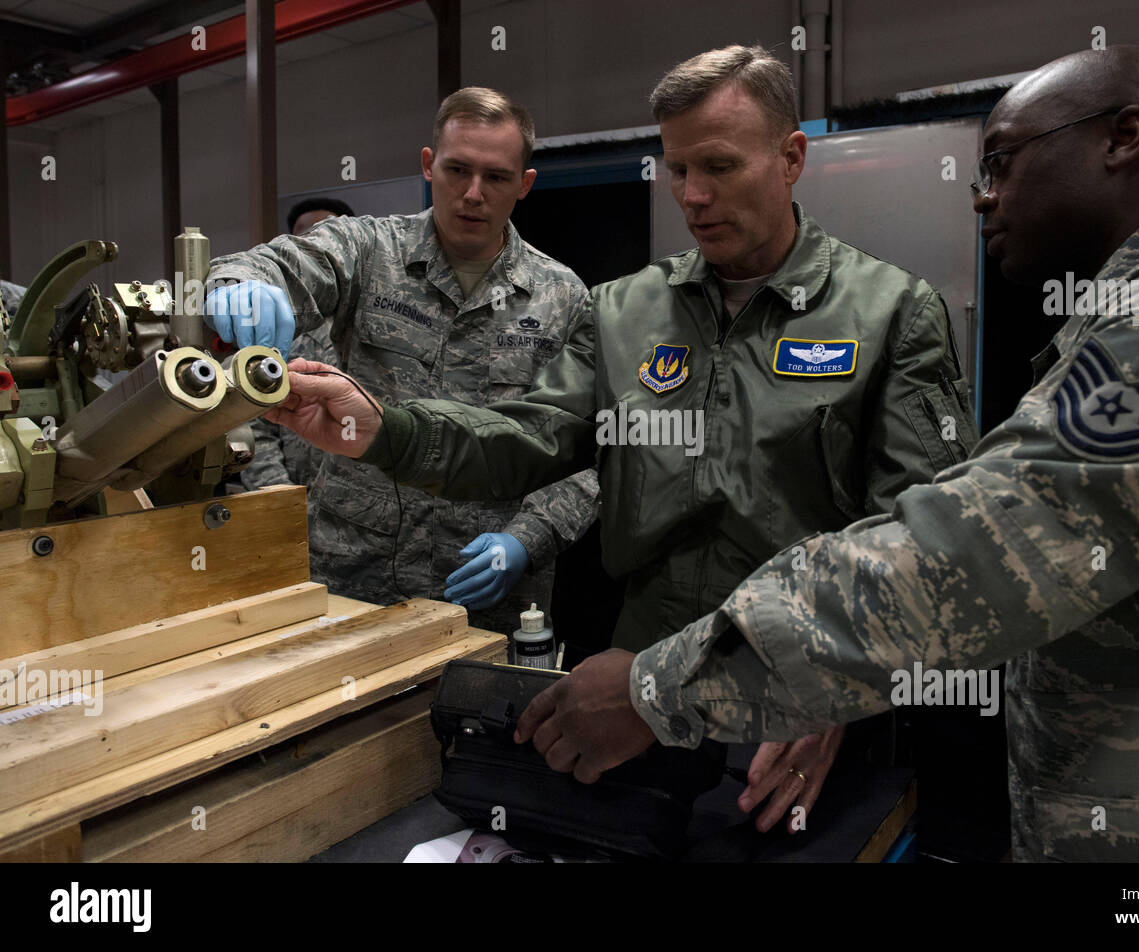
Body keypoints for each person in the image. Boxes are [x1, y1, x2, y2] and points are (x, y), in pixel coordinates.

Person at [506, 45, 1139, 862]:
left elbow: (965, 552)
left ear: (1123, 137)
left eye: (1001, 160)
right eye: (676, 170)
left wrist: (654, 688)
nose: (983, 194)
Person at [252, 46, 976, 833]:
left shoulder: (891, 314)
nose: (693, 196)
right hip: (631, 696)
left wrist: (837, 689)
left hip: (799, 709)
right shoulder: (625, 311)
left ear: (792, 155)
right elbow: (524, 439)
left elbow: (922, 546)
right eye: (675, 170)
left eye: (720, 166)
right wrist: (384, 428)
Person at [205, 87, 599, 638]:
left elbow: (585, 450)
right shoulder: (370, 251)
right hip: (354, 578)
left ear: (525, 185)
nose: (473, 194)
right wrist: (242, 283)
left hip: (486, 595)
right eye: (457, 169)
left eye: (497, 177)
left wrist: (528, 539)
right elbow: (284, 261)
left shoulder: (561, 297)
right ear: (427, 165)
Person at [240, 199, 356, 491]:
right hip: (297, 505)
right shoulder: (274, 329)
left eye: (328, 236)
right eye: (306, 240)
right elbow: (253, 425)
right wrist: (279, 496)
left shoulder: (378, 323)